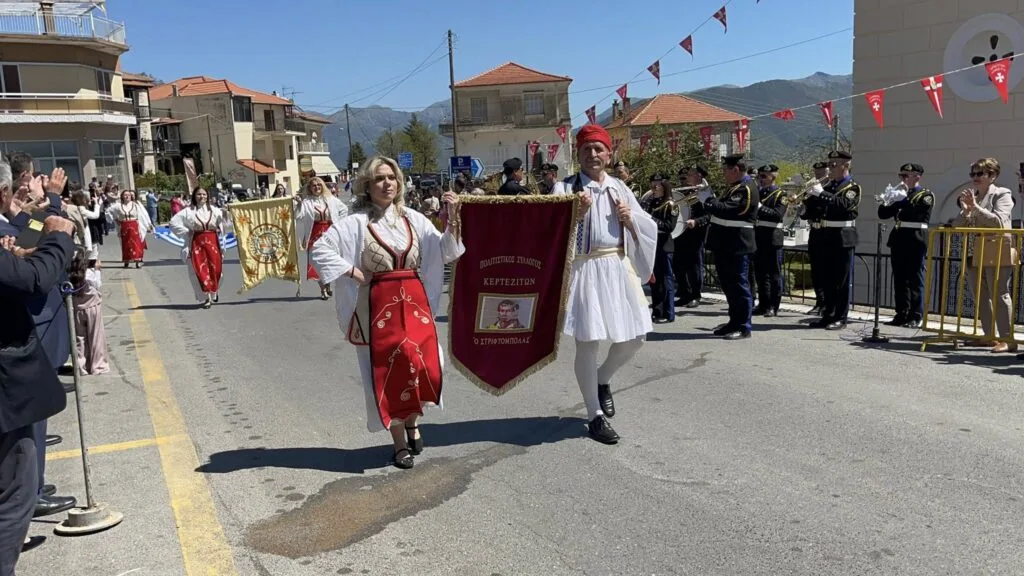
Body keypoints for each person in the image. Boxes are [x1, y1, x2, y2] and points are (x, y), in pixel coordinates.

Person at [310, 156, 464, 469]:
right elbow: (319, 249)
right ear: (367, 184)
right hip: (378, 307)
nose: (387, 183)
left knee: (425, 367)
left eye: (391, 177)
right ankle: (398, 442)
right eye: (380, 178)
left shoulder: (413, 218)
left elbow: (445, 251)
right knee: (387, 372)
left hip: (415, 305)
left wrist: (453, 218)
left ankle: (412, 420)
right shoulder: (356, 223)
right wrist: (353, 272)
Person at [552, 124, 657, 444]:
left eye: (599, 149)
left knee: (637, 336)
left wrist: (631, 218)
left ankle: (602, 378)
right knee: (588, 340)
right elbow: (549, 232)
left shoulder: (620, 189)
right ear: (578, 155)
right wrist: (575, 213)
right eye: (586, 149)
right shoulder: (564, 188)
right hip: (583, 268)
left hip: (617, 265)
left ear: (609, 155)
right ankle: (594, 414)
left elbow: (648, 224)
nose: (593, 154)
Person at [0, 157, 75, 575]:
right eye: (22, 183)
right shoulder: (16, 218)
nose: (25, 189)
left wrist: (39, 212)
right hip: (18, 346)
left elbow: (19, 242)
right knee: (17, 477)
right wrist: (51, 210)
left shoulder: (15, 218)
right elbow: (29, 272)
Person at [953, 158, 1016, 353]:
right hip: (974, 252)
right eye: (973, 174)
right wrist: (965, 212)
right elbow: (957, 227)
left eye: (980, 173)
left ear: (993, 175)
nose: (975, 178)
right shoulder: (974, 197)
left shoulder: (1002, 194)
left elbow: (998, 222)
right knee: (980, 295)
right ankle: (989, 336)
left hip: (996, 251)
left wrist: (975, 208)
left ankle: (1007, 339)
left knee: (999, 293)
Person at [703, 154, 757, 339]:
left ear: (735, 170)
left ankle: (743, 326)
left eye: (725, 169)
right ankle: (733, 321)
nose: (723, 173)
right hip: (726, 244)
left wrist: (708, 200)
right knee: (729, 286)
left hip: (737, 244)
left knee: (738, 286)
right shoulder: (735, 187)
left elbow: (728, 209)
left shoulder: (746, 189)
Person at [806, 151, 860, 330]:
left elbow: (843, 206)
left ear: (846, 165)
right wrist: (810, 197)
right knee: (826, 278)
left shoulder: (852, 187)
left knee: (841, 280)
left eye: (834, 164)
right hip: (826, 235)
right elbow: (815, 211)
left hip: (843, 236)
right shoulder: (829, 187)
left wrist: (821, 194)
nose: (830, 168)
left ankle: (840, 317)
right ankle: (828, 314)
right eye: (830, 164)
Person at [877, 163, 933, 328]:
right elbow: (882, 214)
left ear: (917, 176)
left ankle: (916, 315)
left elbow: (916, 212)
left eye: (906, 176)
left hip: (915, 239)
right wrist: (888, 199)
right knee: (900, 279)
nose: (903, 179)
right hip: (899, 238)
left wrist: (901, 200)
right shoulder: (899, 194)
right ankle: (901, 313)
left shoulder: (925, 195)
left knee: (915, 278)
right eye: (901, 176)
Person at [169, 187, 228, 309]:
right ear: (194, 196)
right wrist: (187, 231)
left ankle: (214, 291)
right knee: (200, 271)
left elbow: (226, 224)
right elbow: (173, 222)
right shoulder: (188, 211)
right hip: (197, 244)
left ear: (207, 196)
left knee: (216, 271)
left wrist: (226, 214)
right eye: (199, 194)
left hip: (213, 244)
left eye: (204, 194)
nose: (202, 196)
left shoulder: (215, 210)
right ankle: (206, 297)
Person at [296, 177, 349, 300]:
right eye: (314, 185)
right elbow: (298, 216)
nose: (317, 187)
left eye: (319, 185)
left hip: (329, 233)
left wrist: (338, 224)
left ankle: (327, 284)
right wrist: (299, 204)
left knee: (328, 261)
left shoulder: (330, 199)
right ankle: (323, 289)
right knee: (316, 263)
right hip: (314, 234)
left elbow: (344, 210)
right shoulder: (307, 202)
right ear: (310, 188)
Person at [640, 174, 679, 323]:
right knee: (654, 279)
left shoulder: (671, 204)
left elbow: (669, 227)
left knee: (666, 280)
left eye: (658, 185)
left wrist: (650, 219)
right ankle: (657, 310)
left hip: (664, 244)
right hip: (652, 243)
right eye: (653, 185)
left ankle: (668, 313)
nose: (654, 188)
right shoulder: (652, 202)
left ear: (665, 187)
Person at [674, 166, 711, 309]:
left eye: (689, 175)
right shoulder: (680, 192)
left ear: (699, 177)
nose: (686, 178)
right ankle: (684, 293)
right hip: (680, 233)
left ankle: (695, 295)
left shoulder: (704, 193)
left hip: (695, 234)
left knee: (694, 266)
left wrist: (696, 222)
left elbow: (709, 215)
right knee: (679, 266)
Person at [68, 248, 109, 375]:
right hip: (92, 308)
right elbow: (98, 285)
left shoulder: (70, 275)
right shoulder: (89, 274)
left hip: (77, 309)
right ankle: (98, 365)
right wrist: (97, 270)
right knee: (96, 336)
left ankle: (81, 366)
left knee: (80, 338)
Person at [753, 164, 786, 317]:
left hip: (773, 237)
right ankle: (763, 304)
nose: (761, 179)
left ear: (773, 177)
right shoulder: (758, 193)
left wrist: (759, 207)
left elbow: (777, 215)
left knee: (774, 274)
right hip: (758, 236)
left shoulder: (781, 194)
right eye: (759, 176)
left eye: (764, 176)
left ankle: (774, 306)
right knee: (760, 274)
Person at [804, 160, 830, 315]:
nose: (818, 175)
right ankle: (819, 301)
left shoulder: (830, 190)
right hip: (814, 231)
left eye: (821, 173)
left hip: (826, 231)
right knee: (816, 270)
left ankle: (826, 303)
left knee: (826, 270)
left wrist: (818, 194)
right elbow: (809, 213)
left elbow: (827, 207)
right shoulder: (814, 189)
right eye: (816, 173)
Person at [107, 189, 153, 268]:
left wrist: (148, 225)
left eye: (128, 195)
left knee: (136, 244)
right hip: (124, 226)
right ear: (122, 197)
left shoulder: (136, 205)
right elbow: (108, 211)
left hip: (134, 226)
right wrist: (115, 219)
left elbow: (143, 215)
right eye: (125, 195)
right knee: (126, 245)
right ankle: (126, 260)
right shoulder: (118, 205)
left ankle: (138, 261)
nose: (127, 196)